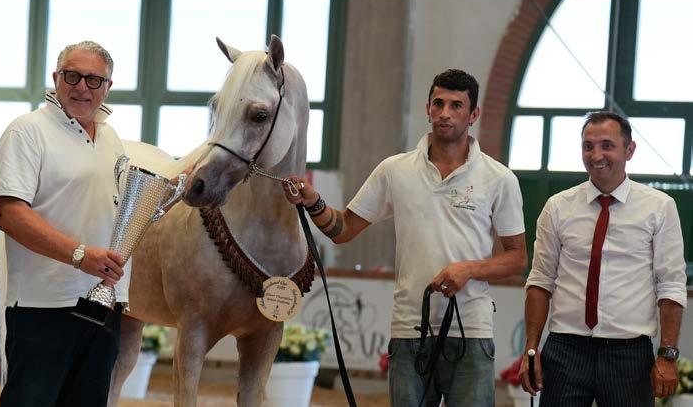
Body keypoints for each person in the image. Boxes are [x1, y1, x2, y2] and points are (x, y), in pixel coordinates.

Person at [283, 69, 527, 406]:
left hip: (471, 329)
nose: (445, 113)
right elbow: (344, 229)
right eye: (438, 103)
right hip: (409, 329)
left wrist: (469, 269)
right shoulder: (394, 170)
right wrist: (314, 202)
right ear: (427, 109)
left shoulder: (499, 178)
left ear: (474, 115)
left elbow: (517, 258)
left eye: (456, 105)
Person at [518, 111, 685, 406]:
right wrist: (531, 350)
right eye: (588, 146)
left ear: (629, 150)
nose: (596, 155)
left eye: (607, 145)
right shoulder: (557, 207)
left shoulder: (659, 207)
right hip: (565, 349)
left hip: (629, 354)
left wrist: (667, 355)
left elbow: (670, 285)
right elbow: (540, 282)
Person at [0, 40, 128, 406]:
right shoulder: (27, 131)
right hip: (42, 306)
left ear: (107, 87)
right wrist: (80, 255)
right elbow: (11, 214)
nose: (82, 86)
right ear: (55, 78)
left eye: (93, 79)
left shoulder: (111, 137)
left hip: (104, 304)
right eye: (72, 76)